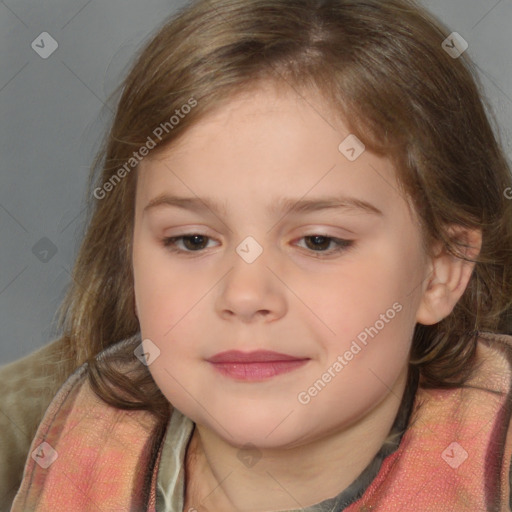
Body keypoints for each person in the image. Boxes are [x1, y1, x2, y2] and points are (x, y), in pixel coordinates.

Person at [8, 0, 512, 510]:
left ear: (442, 271)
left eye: (319, 241)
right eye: (193, 240)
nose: (245, 296)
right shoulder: (41, 443)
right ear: (129, 257)